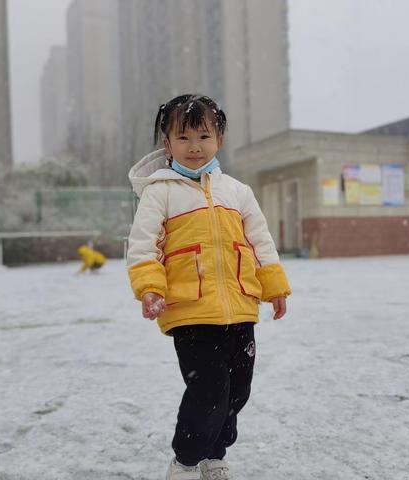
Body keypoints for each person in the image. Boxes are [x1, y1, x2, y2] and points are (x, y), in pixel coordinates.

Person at [126, 94, 291, 480]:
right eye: (183, 138)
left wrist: (274, 286)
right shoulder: (160, 192)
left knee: (236, 392)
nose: (195, 146)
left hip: (240, 309)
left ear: (219, 140)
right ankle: (185, 460)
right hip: (191, 311)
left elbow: (260, 241)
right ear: (167, 145)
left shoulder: (237, 192)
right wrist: (150, 287)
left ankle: (214, 454)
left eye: (204, 135)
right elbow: (142, 245)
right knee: (209, 391)